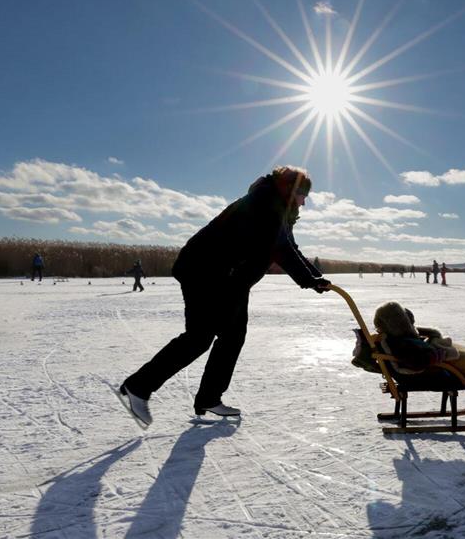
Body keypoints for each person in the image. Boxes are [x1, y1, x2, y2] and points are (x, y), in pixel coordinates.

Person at [118, 166, 330, 427]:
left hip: (230, 280)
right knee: (199, 338)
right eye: (303, 195)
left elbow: (288, 246)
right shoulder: (265, 204)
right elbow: (281, 249)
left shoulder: (277, 209)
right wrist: (309, 280)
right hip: (204, 272)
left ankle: (209, 397)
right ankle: (138, 387)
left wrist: (314, 276)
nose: (304, 202)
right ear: (291, 190)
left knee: (232, 336)